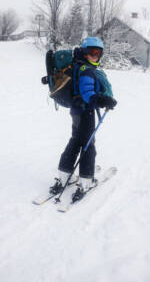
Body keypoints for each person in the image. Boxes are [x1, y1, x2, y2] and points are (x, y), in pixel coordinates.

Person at [50, 37, 117, 202]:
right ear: (85, 52)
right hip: (85, 112)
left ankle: (64, 176)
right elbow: (87, 93)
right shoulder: (86, 69)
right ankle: (86, 181)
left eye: (98, 53)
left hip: (76, 111)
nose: (94, 56)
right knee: (88, 145)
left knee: (75, 141)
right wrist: (101, 100)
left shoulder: (78, 65)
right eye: (91, 52)